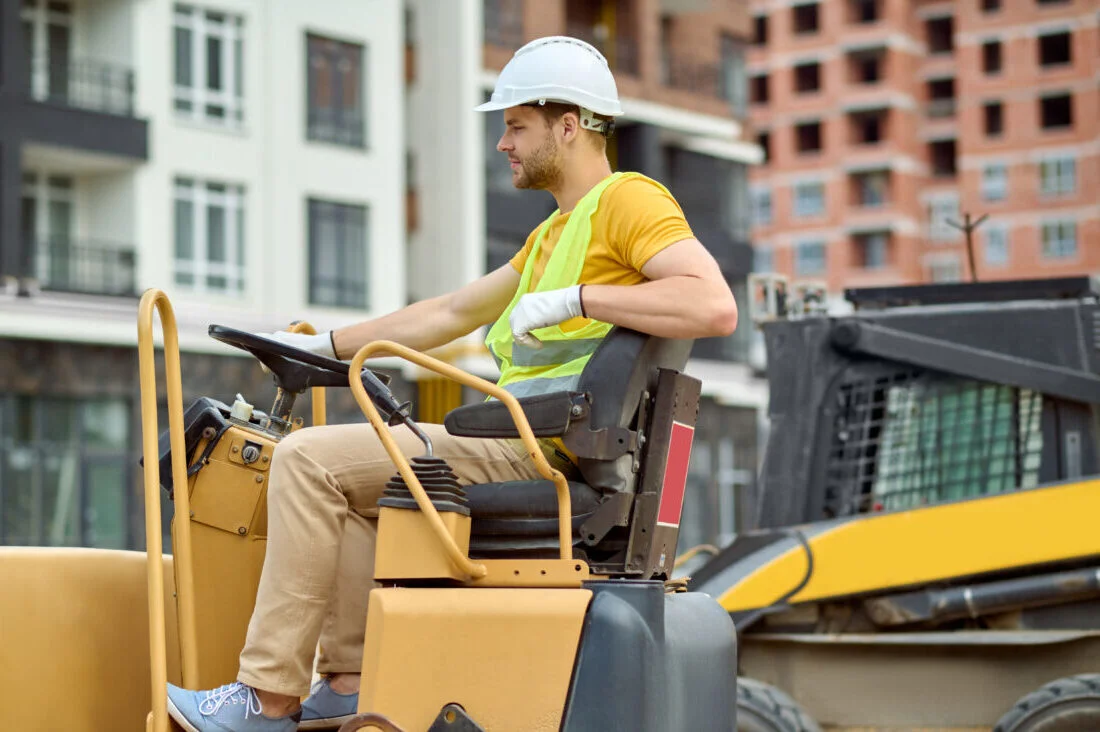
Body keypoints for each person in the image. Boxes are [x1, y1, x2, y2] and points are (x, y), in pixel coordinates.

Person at [165, 35, 738, 732]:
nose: (503, 143)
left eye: (516, 125)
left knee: (304, 459)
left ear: (569, 125)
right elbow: (450, 312)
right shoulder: (555, 232)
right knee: (344, 492)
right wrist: (324, 347)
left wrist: (579, 300)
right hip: (529, 437)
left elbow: (713, 305)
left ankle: (265, 699)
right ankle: (345, 679)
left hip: (537, 446)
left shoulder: (627, 202)